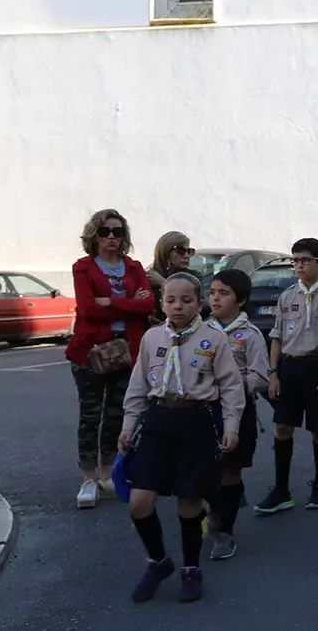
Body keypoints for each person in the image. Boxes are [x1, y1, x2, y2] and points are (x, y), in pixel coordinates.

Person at [119, 272, 245, 603]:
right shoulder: (151, 338)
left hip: (196, 421)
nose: (178, 306)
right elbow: (139, 386)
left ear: (199, 304)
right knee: (139, 502)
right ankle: (159, 561)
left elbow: (232, 387)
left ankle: (191, 568)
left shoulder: (214, 338)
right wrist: (128, 425)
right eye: (171, 300)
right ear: (161, 304)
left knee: (189, 503)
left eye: (186, 300)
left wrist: (231, 427)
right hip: (158, 421)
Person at [67, 209, 156, 508]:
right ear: (94, 235)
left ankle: (107, 474)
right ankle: (88, 479)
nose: (111, 238)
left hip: (126, 352)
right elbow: (89, 309)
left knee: (118, 414)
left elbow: (149, 306)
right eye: (105, 231)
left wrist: (111, 301)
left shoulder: (133, 267)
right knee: (90, 415)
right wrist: (129, 304)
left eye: (117, 232)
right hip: (91, 351)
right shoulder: (83, 268)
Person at [258, 238, 318, 515]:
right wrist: (273, 374)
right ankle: (281, 489)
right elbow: (276, 337)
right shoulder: (287, 296)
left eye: (305, 260)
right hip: (290, 368)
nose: (298, 265)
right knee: (282, 427)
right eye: (295, 260)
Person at [203, 270, 270, 560]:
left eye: (224, 293)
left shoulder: (251, 335)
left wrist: (232, 383)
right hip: (204, 410)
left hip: (238, 409)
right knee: (205, 469)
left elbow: (261, 376)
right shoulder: (201, 331)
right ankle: (215, 509)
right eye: (213, 292)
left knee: (231, 468)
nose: (215, 298)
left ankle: (224, 529)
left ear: (241, 300)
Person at [147, 232, 195, 326]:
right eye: (180, 251)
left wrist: (163, 282)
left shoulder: (193, 277)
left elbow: (193, 300)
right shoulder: (150, 277)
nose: (186, 255)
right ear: (165, 252)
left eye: (189, 251)